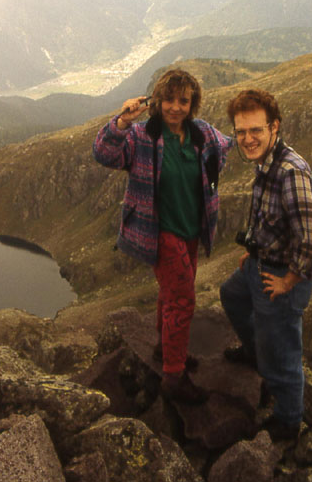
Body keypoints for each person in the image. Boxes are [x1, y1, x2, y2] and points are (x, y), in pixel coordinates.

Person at [93, 69, 233, 403]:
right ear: (157, 100)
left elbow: (228, 146)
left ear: (192, 103)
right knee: (183, 298)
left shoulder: (201, 134)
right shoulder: (143, 137)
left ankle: (163, 347)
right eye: (169, 99)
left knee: (170, 293)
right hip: (160, 232)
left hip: (191, 230)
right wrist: (122, 122)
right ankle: (174, 375)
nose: (175, 107)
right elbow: (104, 153)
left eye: (183, 101)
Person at [219, 89, 312, 440]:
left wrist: (290, 280)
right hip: (261, 262)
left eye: (255, 130)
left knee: (283, 352)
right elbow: (271, 216)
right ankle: (257, 353)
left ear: (274, 127)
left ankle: (288, 421)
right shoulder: (266, 163)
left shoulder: (290, 172)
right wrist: (254, 247)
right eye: (240, 132)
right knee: (231, 296)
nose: (247, 139)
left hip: (281, 277)